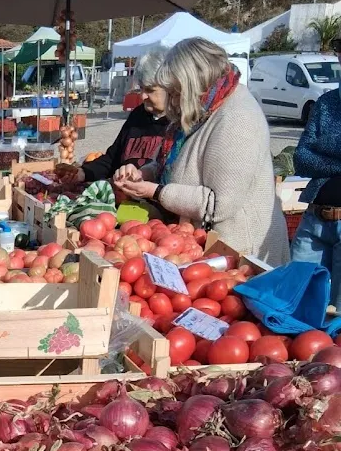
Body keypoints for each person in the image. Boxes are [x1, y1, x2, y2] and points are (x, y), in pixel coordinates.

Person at [113, 38, 289, 267]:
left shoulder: (238, 118)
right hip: (201, 246)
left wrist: (156, 192)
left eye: (176, 90)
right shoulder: (203, 108)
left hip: (239, 255)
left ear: (193, 82)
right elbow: (175, 162)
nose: (173, 99)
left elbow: (219, 205)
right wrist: (144, 173)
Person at [291, 35, 341, 309]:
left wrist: (325, 146)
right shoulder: (325, 104)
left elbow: (314, 152)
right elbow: (301, 160)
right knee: (297, 300)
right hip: (315, 219)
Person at [69, 52, 167, 183]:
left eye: (150, 90)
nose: (143, 96)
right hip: (123, 200)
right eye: (141, 89)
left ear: (169, 87)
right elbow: (112, 158)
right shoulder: (138, 115)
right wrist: (83, 173)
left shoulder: (179, 124)